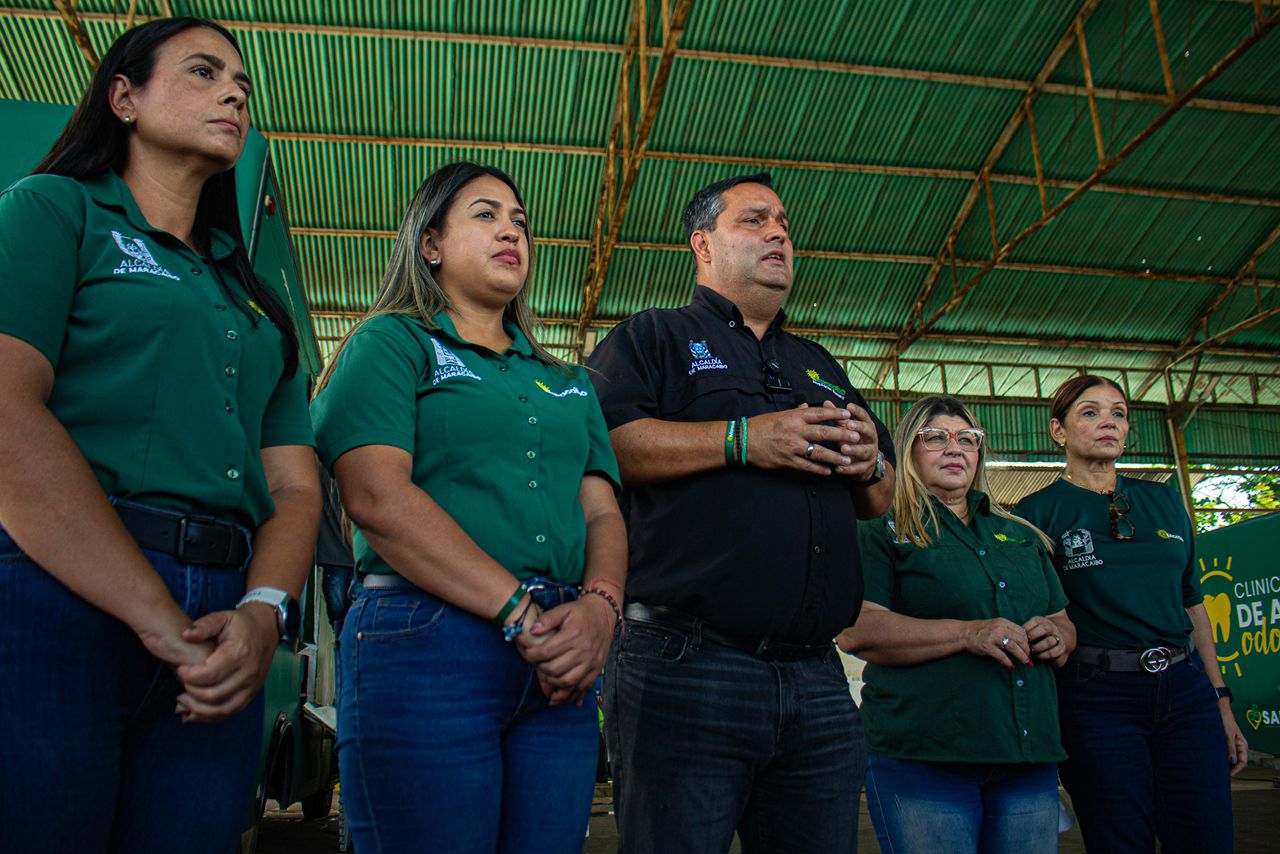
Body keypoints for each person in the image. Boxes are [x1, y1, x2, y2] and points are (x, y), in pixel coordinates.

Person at [0, 18, 321, 854]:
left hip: (222, 626)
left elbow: (294, 485)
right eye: (204, 72)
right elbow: (7, 411)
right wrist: (153, 611)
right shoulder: (53, 210)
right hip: (54, 596)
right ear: (124, 98)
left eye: (242, 86)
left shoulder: (259, 305)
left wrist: (262, 612)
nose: (234, 95)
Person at [311, 161, 626, 854]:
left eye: (520, 222)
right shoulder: (391, 343)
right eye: (486, 215)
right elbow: (377, 497)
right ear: (430, 244)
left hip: (559, 655)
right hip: (429, 637)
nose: (511, 231)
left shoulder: (570, 382)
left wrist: (600, 609)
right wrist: (518, 611)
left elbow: (603, 513)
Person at [586, 171, 896, 853]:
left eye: (783, 223)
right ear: (703, 244)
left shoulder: (819, 364)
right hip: (687, 664)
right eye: (754, 220)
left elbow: (881, 498)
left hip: (816, 679)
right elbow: (603, 445)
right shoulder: (652, 337)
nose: (778, 233)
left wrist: (871, 462)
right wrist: (742, 439)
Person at [1014, 375, 1247, 854]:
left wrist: (1219, 698)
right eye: (1091, 412)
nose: (1109, 422)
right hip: (1096, 698)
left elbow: (1192, 601)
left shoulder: (1164, 500)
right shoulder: (1036, 513)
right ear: (1058, 431)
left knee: (1207, 837)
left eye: (1118, 413)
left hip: (1185, 691)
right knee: (1120, 841)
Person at [838, 395, 1075, 854]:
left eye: (968, 439)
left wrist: (1058, 637)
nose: (955, 448)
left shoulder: (1022, 534)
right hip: (926, 758)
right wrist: (969, 634)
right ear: (907, 449)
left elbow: (1063, 621)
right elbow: (858, 629)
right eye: (935, 438)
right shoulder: (880, 528)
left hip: (1027, 758)